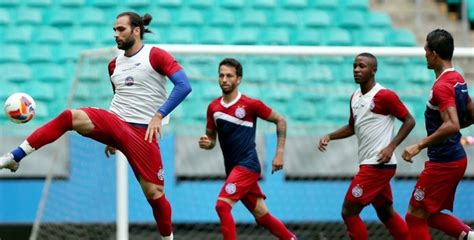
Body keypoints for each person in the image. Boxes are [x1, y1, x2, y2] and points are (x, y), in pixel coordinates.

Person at [0, 12, 192, 240]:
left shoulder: (156, 55)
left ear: (136, 30)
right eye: (114, 30)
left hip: (143, 134)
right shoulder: (114, 65)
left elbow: (184, 85)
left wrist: (159, 115)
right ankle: (15, 156)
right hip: (117, 124)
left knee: (155, 194)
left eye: (121, 29)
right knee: (69, 117)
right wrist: (111, 136)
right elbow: (119, 98)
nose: (115, 34)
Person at [318, 52, 415, 240]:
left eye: (362, 66)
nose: (356, 70)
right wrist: (330, 136)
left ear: (373, 70)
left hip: (378, 165)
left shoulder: (384, 95)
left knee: (348, 211)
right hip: (369, 164)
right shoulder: (354, 97)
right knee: (385, 212)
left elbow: (409, 121)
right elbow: (353, 127)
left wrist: (391, 147)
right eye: (354, 66)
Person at [198, 58, 296, 240]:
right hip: (232, 169)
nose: (224, 79)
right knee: (262, 215)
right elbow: (211, 139)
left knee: (222, 206)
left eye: (229, 76)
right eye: (221, 75)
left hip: (247, 165)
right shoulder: (213, 108)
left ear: (239, 79)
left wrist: (279, 153)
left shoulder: (251, 105)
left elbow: (280, 120)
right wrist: (207, 143)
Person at [402, 29, 474, 240]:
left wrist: (419, 145)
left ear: (433, 53)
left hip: (444, 161)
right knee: (429, 213)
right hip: (454, 158)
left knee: (414, 216)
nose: (424, 53)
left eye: (426, 49)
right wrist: (452, 129)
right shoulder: (457, 79)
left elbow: (451, 124)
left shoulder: (441, 86)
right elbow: (471, 115)